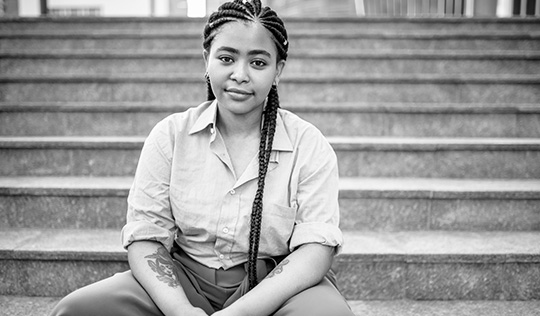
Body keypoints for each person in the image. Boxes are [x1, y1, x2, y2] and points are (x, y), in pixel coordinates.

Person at [50, 1, 354, 315]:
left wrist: (240, 312)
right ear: (206, 60)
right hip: (181, 279)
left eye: (258, 63)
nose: (240, 74)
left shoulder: (309, 145)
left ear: (278, 70)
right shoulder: (170, 136)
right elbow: (145, 237)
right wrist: (180, 310)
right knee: (75, 310)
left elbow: (316, 249)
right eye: (226, 58)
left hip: (276, 285)